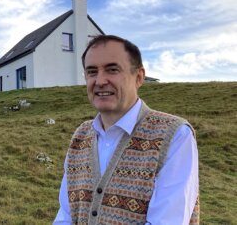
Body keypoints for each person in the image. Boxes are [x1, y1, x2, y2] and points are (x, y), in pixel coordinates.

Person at [53, 35, 199, 225]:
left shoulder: (174, 135)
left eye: (112, 70)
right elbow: (66, 216)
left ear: (139, 77)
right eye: (92, 71)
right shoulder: (80, 137)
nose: (100, 80)